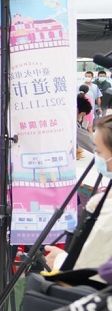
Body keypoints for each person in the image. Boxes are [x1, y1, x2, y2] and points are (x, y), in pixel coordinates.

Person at [46, 116, 112, 273]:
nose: (96, 157)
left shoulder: (104, 207)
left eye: (98, 151)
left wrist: (62, 260)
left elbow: (96, 268)